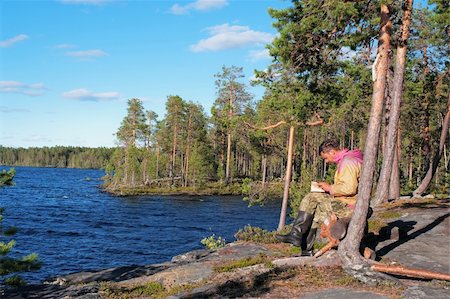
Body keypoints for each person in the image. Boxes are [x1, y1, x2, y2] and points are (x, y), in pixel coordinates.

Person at [276, 139, 363, 256]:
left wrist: (330, 188)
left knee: (311, 197)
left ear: (332, 152)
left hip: (350, 207)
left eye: (326, 158)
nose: (326, 162)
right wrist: (329, 189)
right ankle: (306, 251)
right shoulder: (349, 160)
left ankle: (296, 234)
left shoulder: (348, 162)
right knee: (315, 211)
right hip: (350, 204)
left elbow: (349, 188)